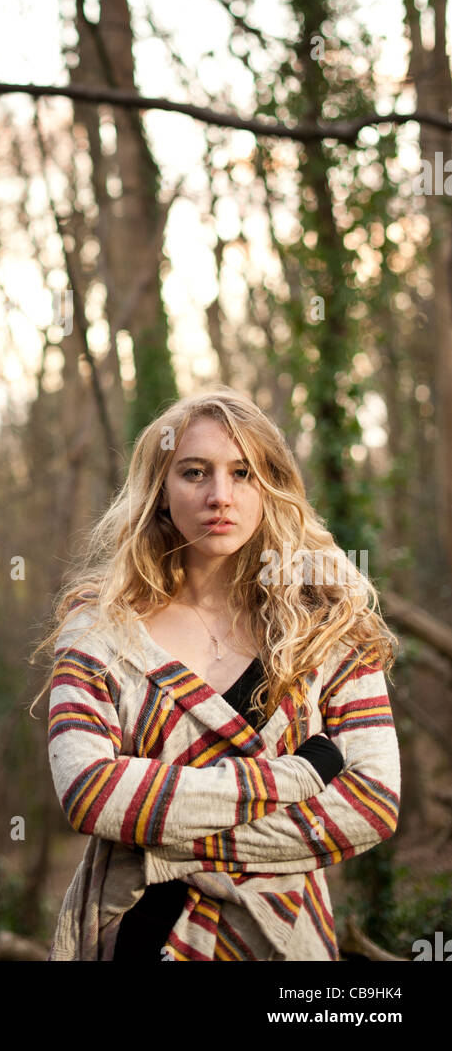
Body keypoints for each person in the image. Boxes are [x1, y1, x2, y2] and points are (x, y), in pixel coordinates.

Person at [33, 387, 401, 961]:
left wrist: (162, 847)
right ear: (159, 490)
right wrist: (294, 778)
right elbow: (91, 793)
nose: (220, 496)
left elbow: (372, 802)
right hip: (138, 934)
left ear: (270, 488)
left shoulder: (329, 627)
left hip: (281, 940)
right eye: (195, 472)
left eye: (244, 473)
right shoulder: (100, 631)